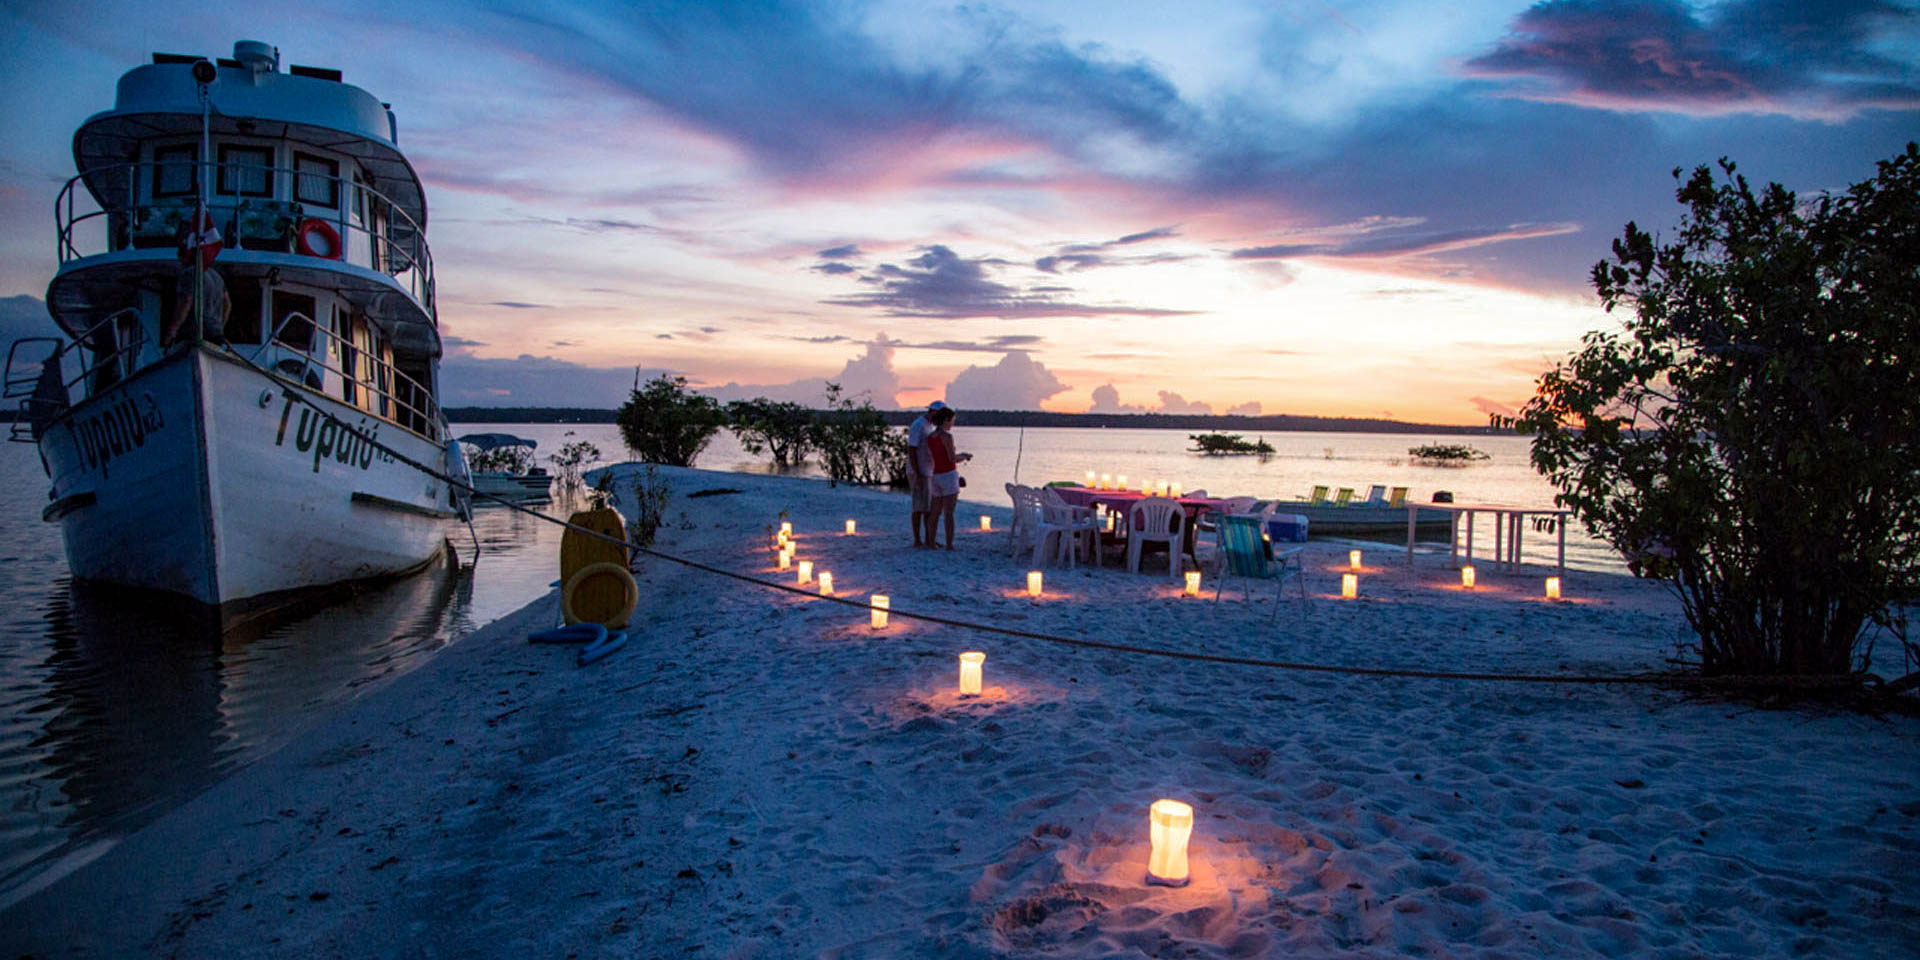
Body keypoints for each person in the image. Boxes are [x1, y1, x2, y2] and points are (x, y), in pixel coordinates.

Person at [163, 217, 230, 350]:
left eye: (180, 259)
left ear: (185, 257)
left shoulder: (188, 274)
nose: (180, 263)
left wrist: (172, 331)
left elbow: (185, 302)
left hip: (193, 333)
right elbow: (227, 304)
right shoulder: (217, 276)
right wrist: (219, 327)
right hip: (215, 335)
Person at [924, 407, 971, 549]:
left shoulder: (931, 437)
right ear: (946, 420)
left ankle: (931, 542)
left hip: (936, 475)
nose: (952, 424)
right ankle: (949, 544)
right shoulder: (947, 437)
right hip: (948, 476)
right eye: (952, 421)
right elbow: (951, 458)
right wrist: (964, 456)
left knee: (935, 512)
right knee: (949, 513)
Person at [906, 400, 948, 547]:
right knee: (919, 507)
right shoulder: (918, 425)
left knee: (928, 507)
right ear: (933, 412)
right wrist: (917, 474)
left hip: (928, 471)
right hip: (919, 471)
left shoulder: (930, 426)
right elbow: (912, 449)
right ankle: (917, 540)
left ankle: (929, 538)